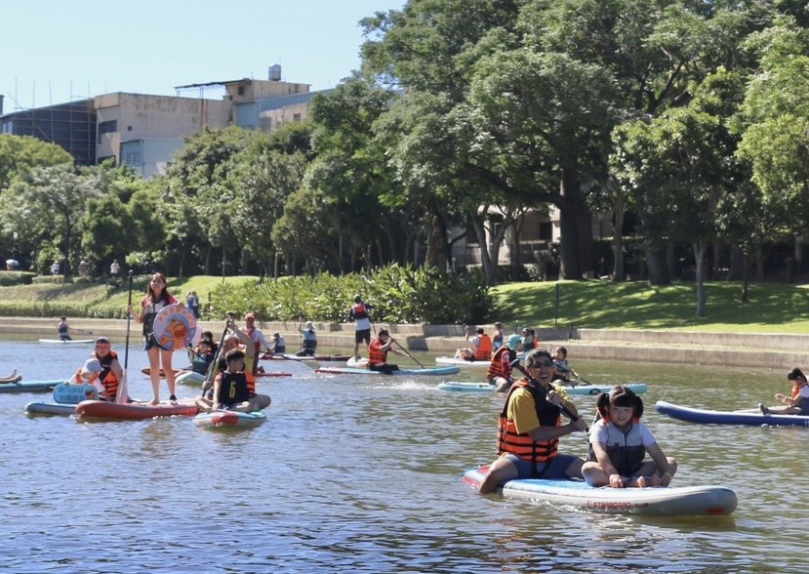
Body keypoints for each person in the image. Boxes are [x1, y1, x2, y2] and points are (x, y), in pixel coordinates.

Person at [478, 349, 588, 494]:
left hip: (550, 460)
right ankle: (483, 499)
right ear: (529, 371)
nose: (543, 369)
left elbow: (573, 413)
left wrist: (560, 401)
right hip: (520, 461)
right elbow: (536, 434)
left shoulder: (557, 390)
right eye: (537, 366)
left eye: (547, 364)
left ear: (553, 368)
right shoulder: (521, 395)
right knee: (494, 474)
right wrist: (571, 428)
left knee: (591, 469)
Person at [582, 385, 677, 488]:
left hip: (636, 472)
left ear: (634, 410)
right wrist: (613, 474)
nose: (621, 414)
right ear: (607, 408)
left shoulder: (640, 428)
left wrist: (667, 475)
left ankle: (656, 482)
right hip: (608, 473)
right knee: (588, 468)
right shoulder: (601, 427)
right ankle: (633, 483)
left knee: (671, 462)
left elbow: (656, 453)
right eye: (616, 409)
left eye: (626, 410)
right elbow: (601, 453)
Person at [128, 271, 179, 405]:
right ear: (150, 283)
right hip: (150, 336)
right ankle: (156, 397)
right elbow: (140, 320)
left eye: (159, 281)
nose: (156, 283)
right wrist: (131, 312)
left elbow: (179, 312)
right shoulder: (146, 302)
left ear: (164, 284)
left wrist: (180, 306)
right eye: (154, 281)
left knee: (167, 366)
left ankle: (172, 395)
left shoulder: (169, 300)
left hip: (166, 336)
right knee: (154, 366)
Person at [196, 349, 271, 413]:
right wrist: (216, 403)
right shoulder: (220, 376)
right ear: (232, 363)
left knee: (248, 405)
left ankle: (228, 411)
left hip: (235, 405)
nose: (242, 364)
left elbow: (244, 395)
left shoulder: (241, 376)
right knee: (198, 399)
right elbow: (216, 392)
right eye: (241, 362)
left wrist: (246, 402)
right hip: (221, 404)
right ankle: (209, 409)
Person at [86, 336, 125, 403]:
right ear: (95, 348)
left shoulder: (114, 364)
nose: (102, 350)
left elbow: (122, 384)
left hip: (110, 397)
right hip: (94, 395)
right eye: (100, 347)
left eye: (105, 347)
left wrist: (117, 400)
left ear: (109, 348)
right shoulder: (92, 359)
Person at [349, 295, 374, 360]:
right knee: (368, 343)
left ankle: (356, 356)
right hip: (366, 327)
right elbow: (372, 306)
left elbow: (350, 318)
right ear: (360, 300)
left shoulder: (352, 308)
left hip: (359, 328)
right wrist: (369, 303)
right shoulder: (365, 306)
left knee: (357, 343)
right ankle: (370, 356)